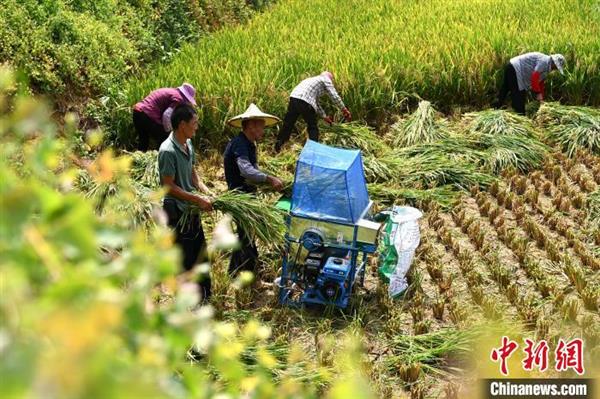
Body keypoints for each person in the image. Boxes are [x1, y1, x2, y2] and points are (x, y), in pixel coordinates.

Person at [158, 103, 214, 300]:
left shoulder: (188, 144)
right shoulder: (167, 151)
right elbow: (168, 186)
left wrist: (206, 191)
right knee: (186, 258)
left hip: (191, 209)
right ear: (182, 125)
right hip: (178, 212)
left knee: (201, 254)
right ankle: (188, 303)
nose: (197, 127)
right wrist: (197, 199)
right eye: (194, 123)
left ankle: (205, 298)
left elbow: (192, 174)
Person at [224, 103, 285, 275]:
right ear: (251, 125)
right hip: (239, 196)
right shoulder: (240, 144)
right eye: (261, 126)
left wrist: (268, 181)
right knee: (245, 235)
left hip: (247, 194)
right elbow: (246, 170)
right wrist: (269, 179)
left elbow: (253, 170)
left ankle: (238, 271)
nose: (263, 130)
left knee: (247, 234)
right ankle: (244, 273)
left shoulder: (249, 144)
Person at [275, 71, 351, 152]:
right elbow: (334, 96)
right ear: (329, 78)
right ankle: (313, 151)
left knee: (288, 124)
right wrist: (344, 109)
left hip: (294, 98)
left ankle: (278, 147)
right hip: (305, 101)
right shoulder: (325, 79)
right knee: (312, 127)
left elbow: (315, 102)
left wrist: (324, 116)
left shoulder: (311, 80)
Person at [494, 52, 566, 115]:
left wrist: (541, 99)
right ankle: (520, 118)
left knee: (505, 89)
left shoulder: (547, 66)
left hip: (511, 66)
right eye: (556, 67)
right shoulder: (544, 61)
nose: (556, 69)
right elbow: (534, 77)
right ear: (554, 63)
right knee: (519, 96)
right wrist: (538, 93)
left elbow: (540, 82)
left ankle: (495, 108)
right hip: (515, 69)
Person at [134, 83, 197, 151]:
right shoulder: (179, 98)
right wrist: (169, 131)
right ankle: (161, 158)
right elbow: (166, 115)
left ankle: (139, 158)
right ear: (186, 96)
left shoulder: (172, 91)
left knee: (143, 140)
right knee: (164, 138)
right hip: (147, 115)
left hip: (137, 112)